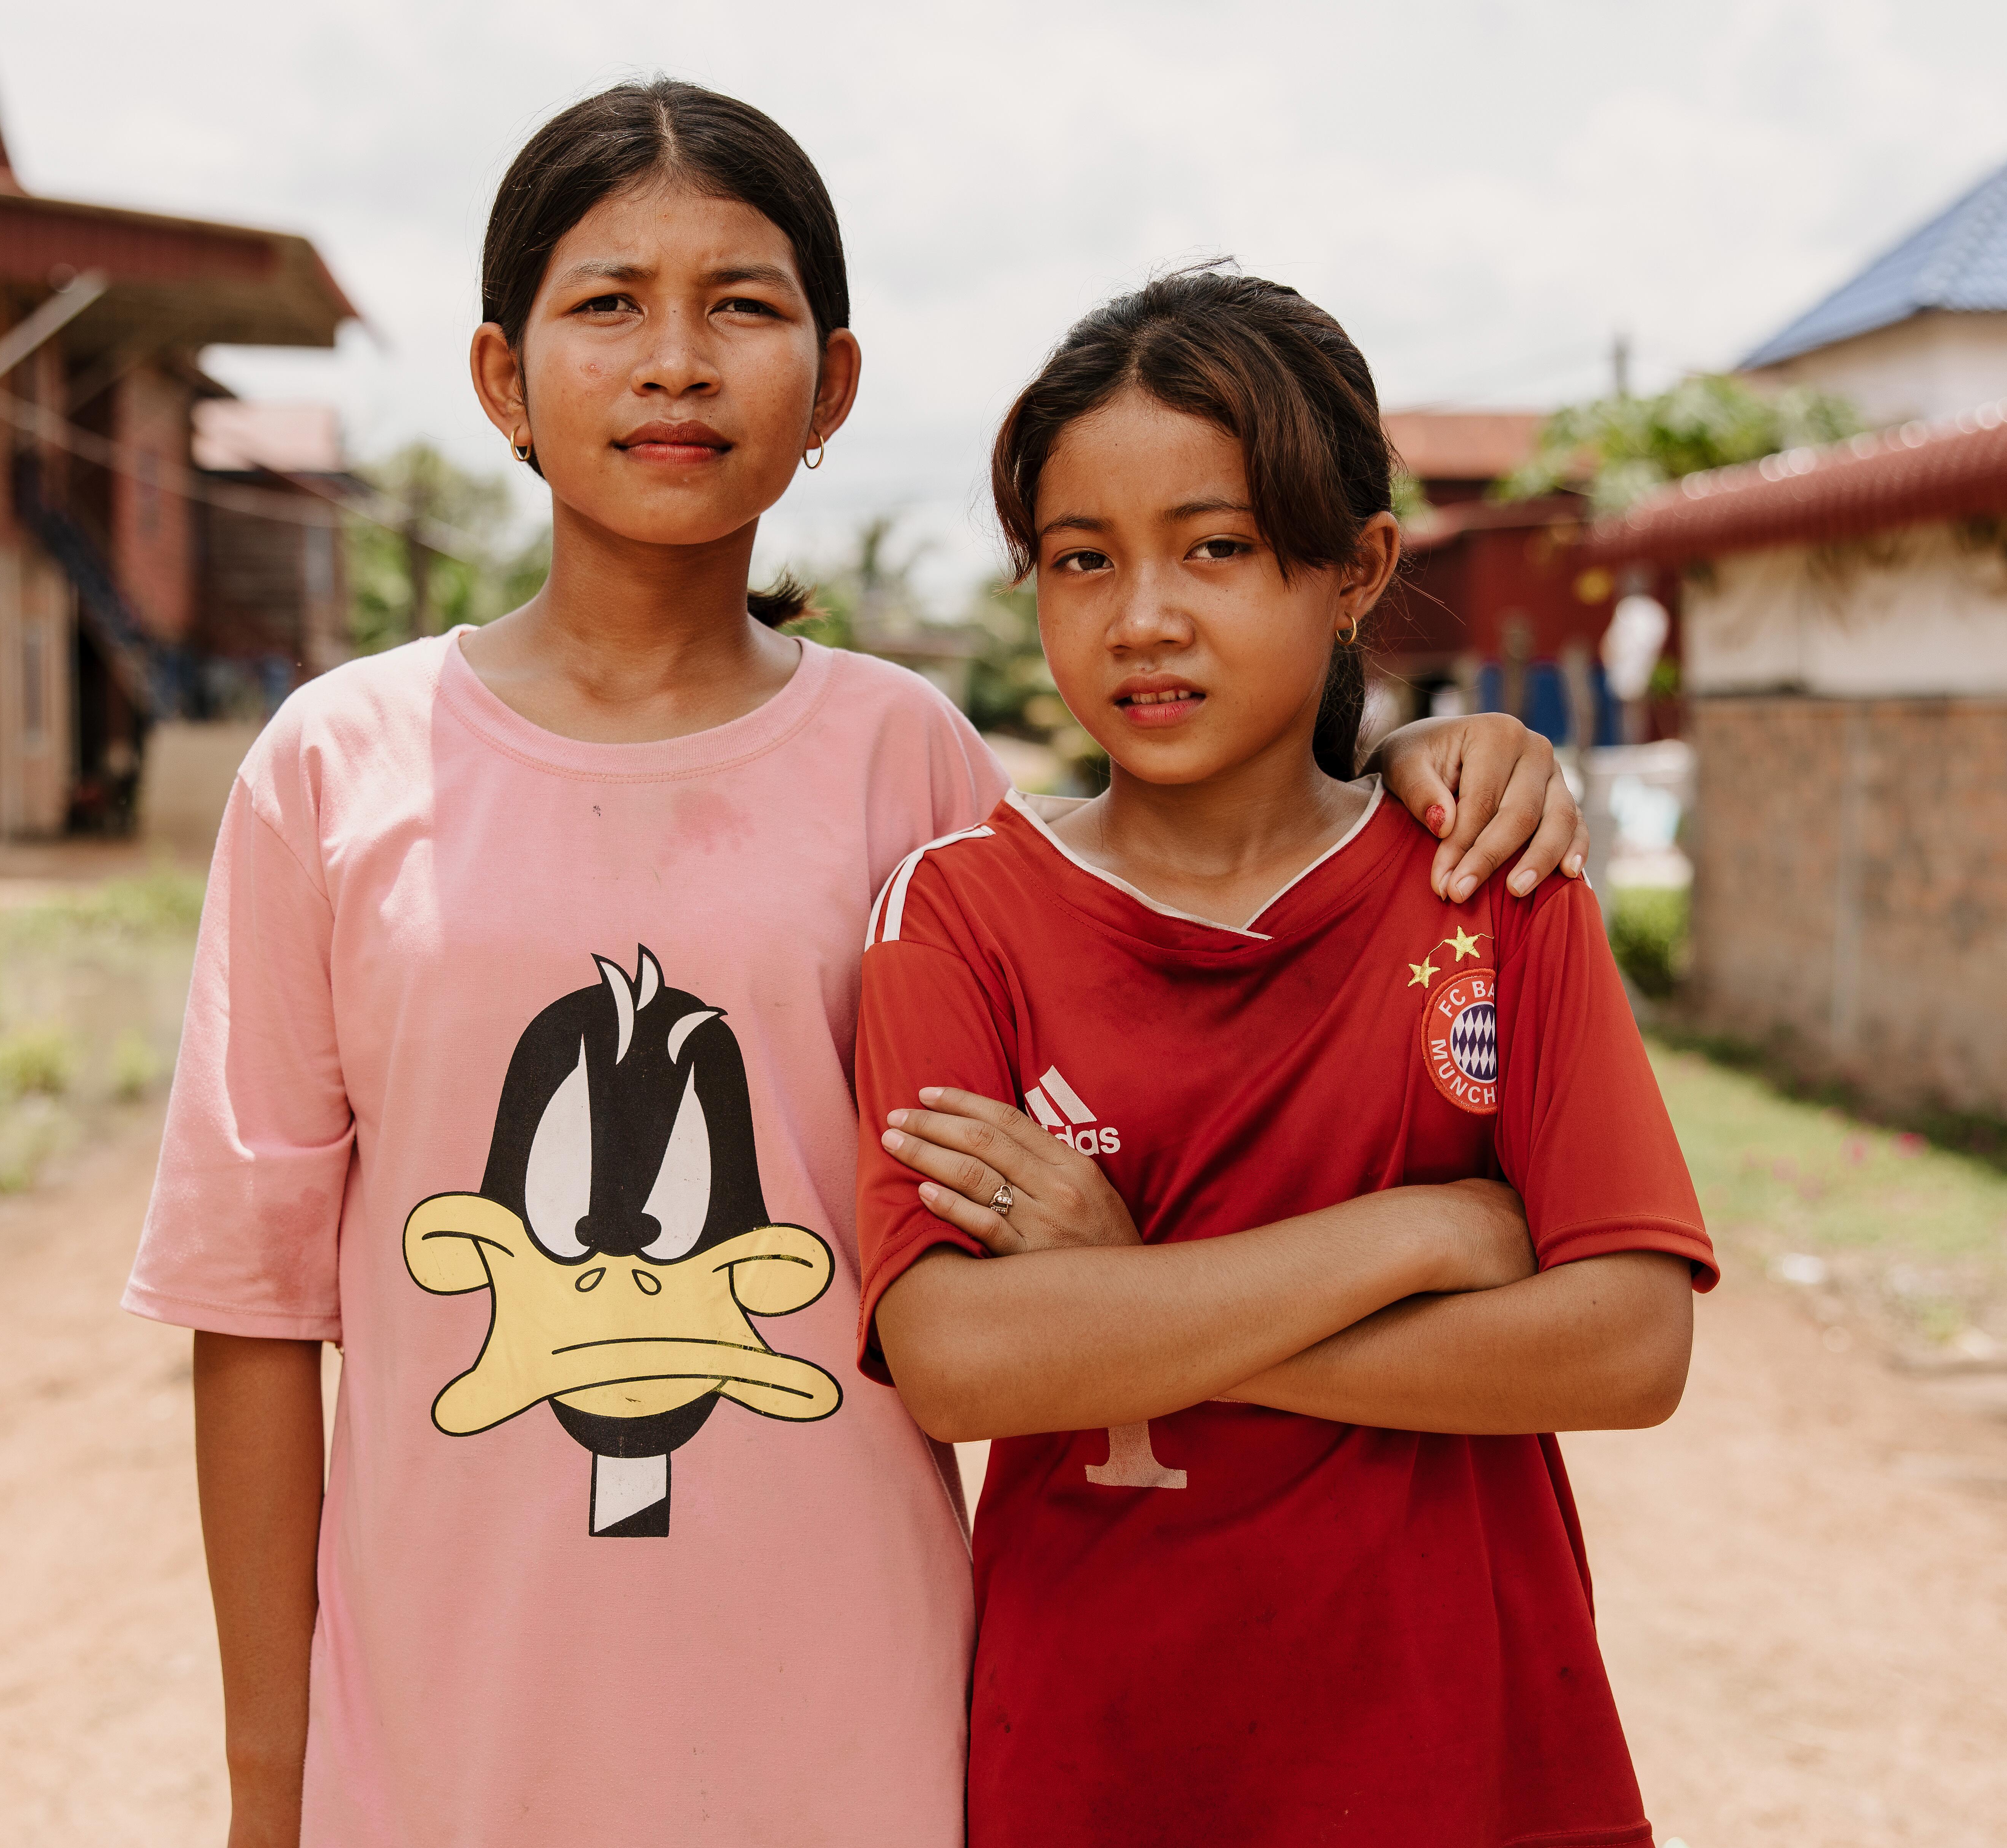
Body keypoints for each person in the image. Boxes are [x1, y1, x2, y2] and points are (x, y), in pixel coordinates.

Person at [127, 85, 1589, 1847]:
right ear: (503, 381)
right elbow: (259, 1305)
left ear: (831, 387)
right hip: (446, 1745)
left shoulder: (912, 768)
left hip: (864, 1735)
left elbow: (1199, 859)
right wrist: (266, 1792)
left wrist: (1426, 747)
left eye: (742, 306)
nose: (675, 362)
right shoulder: (331, 765)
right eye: (609, 305)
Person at [858, 267, 1718, 1848]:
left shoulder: (1489, 879)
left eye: (1218, 547)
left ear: (1355, 568)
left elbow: (1626, 1346)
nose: (1143, 618)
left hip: (1474, 1764)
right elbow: (960, 1358)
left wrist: (1132, 1293)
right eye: (1079, 559)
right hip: (1101, 1763)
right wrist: (1423, 1233)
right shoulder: (962, 912)